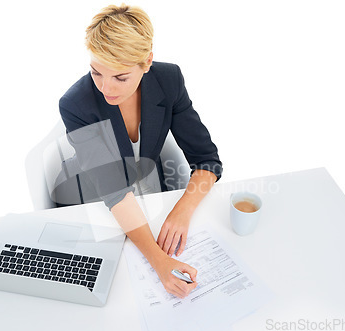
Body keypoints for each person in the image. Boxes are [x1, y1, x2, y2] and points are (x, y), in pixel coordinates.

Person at [59, 4, 222, 299]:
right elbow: (114, 191)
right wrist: (159, 262)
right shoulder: (75, 103)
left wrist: (182, 210)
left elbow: (207, 159)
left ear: (146, 63)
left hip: (147, 192)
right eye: (96, 73)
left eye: (120, 77)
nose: (106, 88)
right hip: (94, 202)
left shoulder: (168, 79)